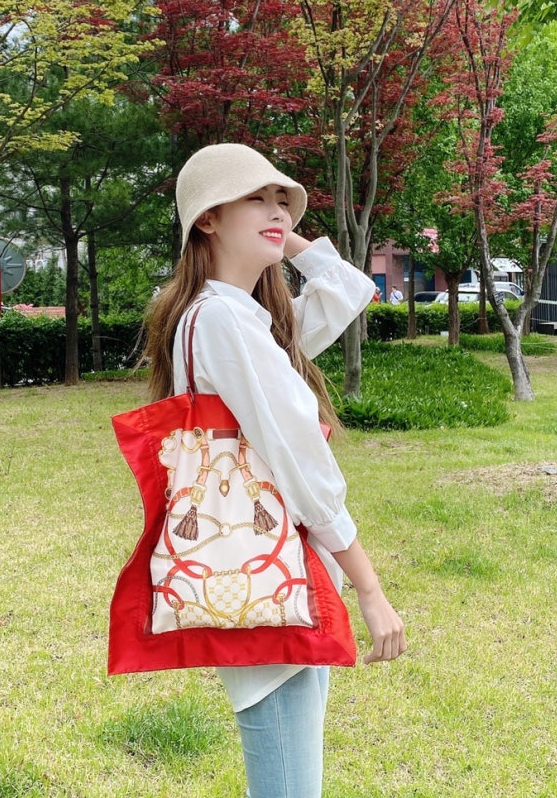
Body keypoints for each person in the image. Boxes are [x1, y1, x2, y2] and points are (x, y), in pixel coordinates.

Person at [143, 143, 406, 798]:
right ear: (207, 218)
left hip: (261, 572)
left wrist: (278, 237)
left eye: (282, 201)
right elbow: (298, 460)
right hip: (266, 581)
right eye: (255, 198)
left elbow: (348, 291)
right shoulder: (221, 321)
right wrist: (369, 587)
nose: (277, 211)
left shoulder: (241, 318)